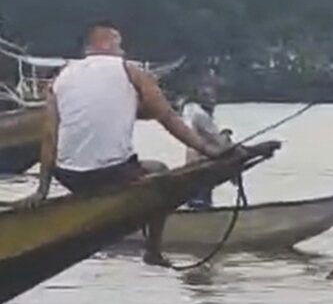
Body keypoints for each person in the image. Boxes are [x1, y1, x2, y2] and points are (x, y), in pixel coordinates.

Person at [18, 21, 224, 267]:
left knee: (125, 173)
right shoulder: (130, 71)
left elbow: (50, 136)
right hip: (111, 173)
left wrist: (42, 190)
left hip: (69, 176)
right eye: (119, 45)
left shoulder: (61, 78)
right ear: (104, 43)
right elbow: (168, 118)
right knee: (160, 172)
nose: (123, 51)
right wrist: (210, 151)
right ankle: (153, 251)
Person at [180, 79, 234, 209]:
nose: (213, 99)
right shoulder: (199, 113)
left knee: (197, 196)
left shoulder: (189, 110)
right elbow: (218, 139)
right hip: (201, 164)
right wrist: (226, 136)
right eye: (208, 96)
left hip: (194, 163)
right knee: (201, 197)